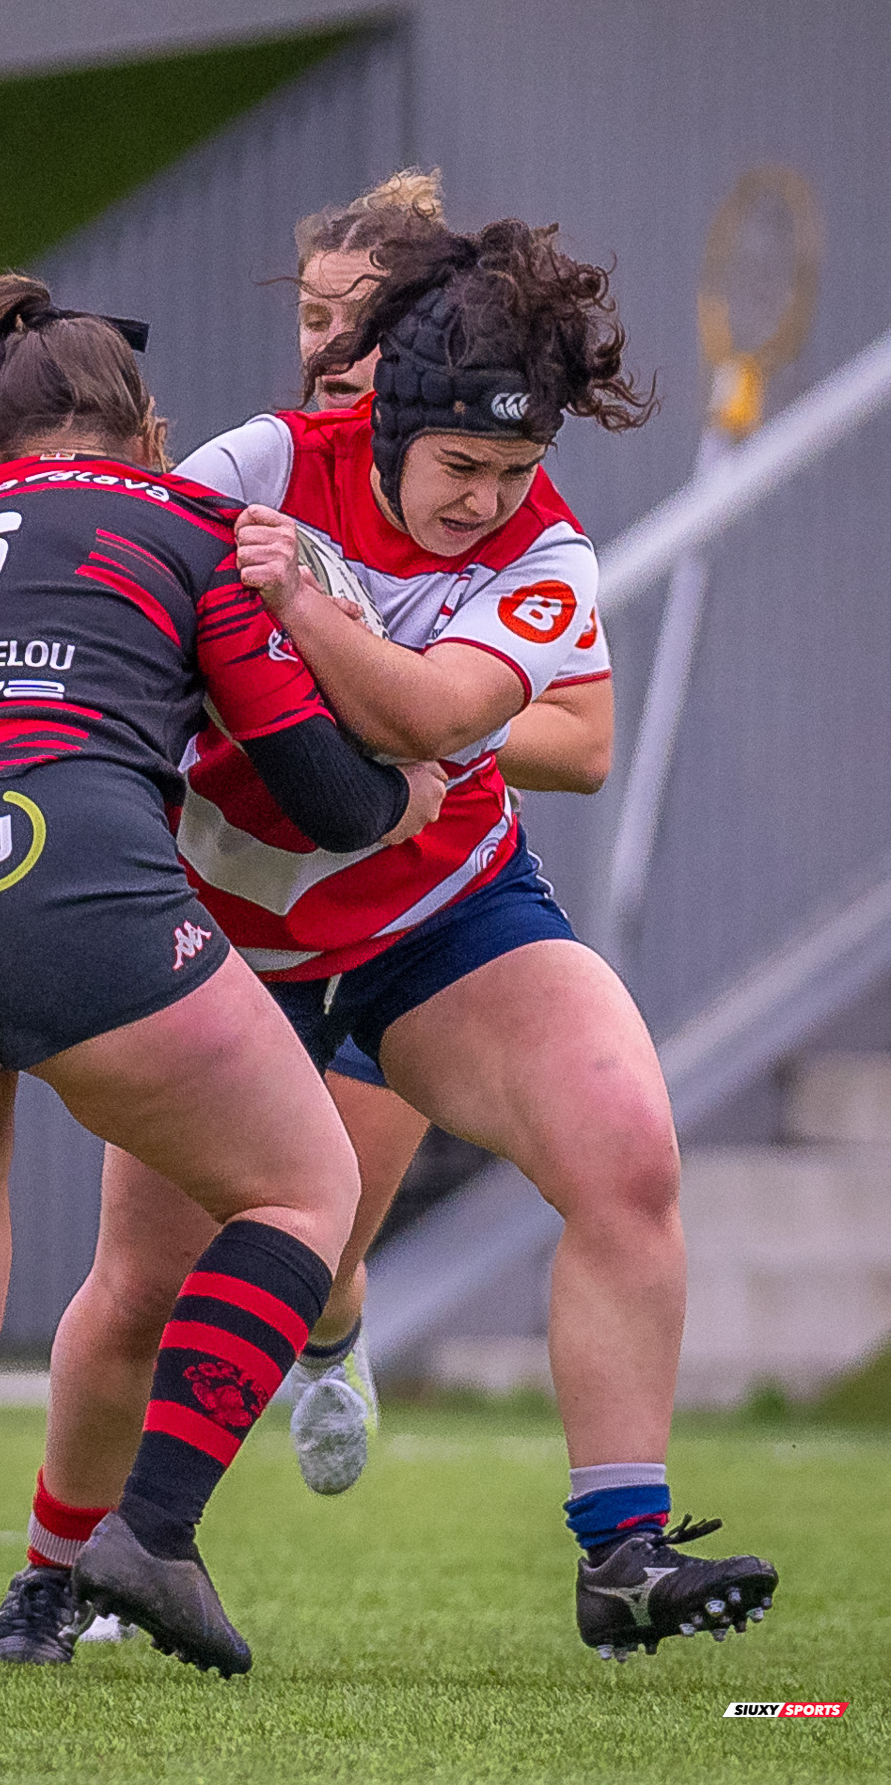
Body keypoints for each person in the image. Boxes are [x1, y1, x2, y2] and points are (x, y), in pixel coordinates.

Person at [0, 219, 777, 1670]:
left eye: (516, 470)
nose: (487, 500)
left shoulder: (547, 552)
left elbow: (432, 717)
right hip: (228, 936)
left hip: (438, 911)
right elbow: (110, 625)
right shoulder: (256, 466)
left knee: (626, 1154)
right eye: (462, 465)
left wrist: (296, 600)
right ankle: (51, 1580)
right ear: (395, 422)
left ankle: (623, 1553)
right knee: (141, 1289)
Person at [0, 271, 449, 1678]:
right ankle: (151, 1538)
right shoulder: (189, 521)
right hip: (46, 851)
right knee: (304, 1190)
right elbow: (318, 793)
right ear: (149, 429)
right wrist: (402, 790)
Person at [287, 169, 614, 1494]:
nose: (328, 348)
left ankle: (331, 1334)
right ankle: (87, 1554)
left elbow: (581, 744)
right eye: (311, 316)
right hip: (252, 904)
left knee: (321, 1241)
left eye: (354, 321)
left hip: (416, 902)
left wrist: (419, 716)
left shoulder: (504, 511)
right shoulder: (261, 470)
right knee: (172, 1254)